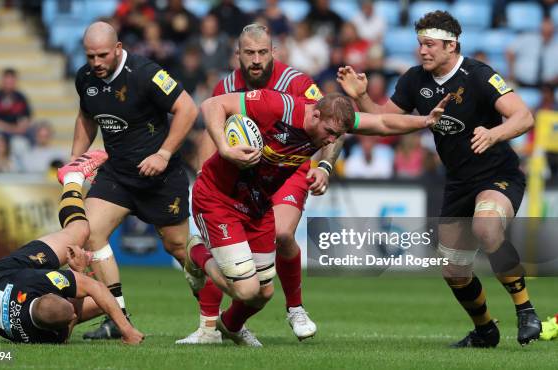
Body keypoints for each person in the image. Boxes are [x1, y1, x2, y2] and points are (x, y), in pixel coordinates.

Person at [184, 88, 449, 346]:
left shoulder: (329, 122)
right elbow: (211, 105)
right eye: (331, 133)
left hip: (257, 204)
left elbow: (380, 122)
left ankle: (230, 327)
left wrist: (424, 121)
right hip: (219, 197)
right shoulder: (277, 106)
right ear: (314, 116)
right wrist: (225, 147)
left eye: (339, 135)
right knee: (246, 290)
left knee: (263, 293)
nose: (332, 141)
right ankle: (197, 253)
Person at [337, 10, 540, 347]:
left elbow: (524, 116)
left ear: (451, 45)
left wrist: (495, 134)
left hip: (498, 174)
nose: (422, 51)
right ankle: (485, 330)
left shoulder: (479, 75)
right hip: (459, 181)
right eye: (419, 44)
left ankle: (526, 310)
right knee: (453, 270)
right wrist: (360, 96)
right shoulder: (414, 80)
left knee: (486, 227)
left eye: (429, 44)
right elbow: (385, 123)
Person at [177, 23, 332, 344]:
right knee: (236, 264)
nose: (257, 59)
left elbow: (333, 121)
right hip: (246, 176)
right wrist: (209, 179)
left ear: (274, 52)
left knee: (283, 233)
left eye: (263, 52)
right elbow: (213, 130)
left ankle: (295, 308)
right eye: (250, 53)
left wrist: (326, 166)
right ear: (238, 55)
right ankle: (216, 327)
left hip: (288, 170)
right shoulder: (226, 86)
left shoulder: (296, 83)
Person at [72, 21, 198, 340]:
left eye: (102, 55)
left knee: (179, 248)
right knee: (90, 232)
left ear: (118, 49)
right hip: (118, 173)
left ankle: (216, 317)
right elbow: (87, 118)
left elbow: (187, 109)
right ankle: (117, 318)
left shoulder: (145, 73)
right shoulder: (85, 79)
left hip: (159, 176)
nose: (96, 63)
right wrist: (76, 164)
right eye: (90, 56)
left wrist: (164, 154)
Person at [0, 149, 144, 345]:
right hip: (13, 295)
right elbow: (79, 305)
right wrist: (79, 272)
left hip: (2, 275)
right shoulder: (54, 337)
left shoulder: (37, 282)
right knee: (109, 301)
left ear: (49, 292)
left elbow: (91, 288)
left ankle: (72, 177)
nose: (74, 314)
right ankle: (73, 177)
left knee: (80, 231)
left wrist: (127, 331)